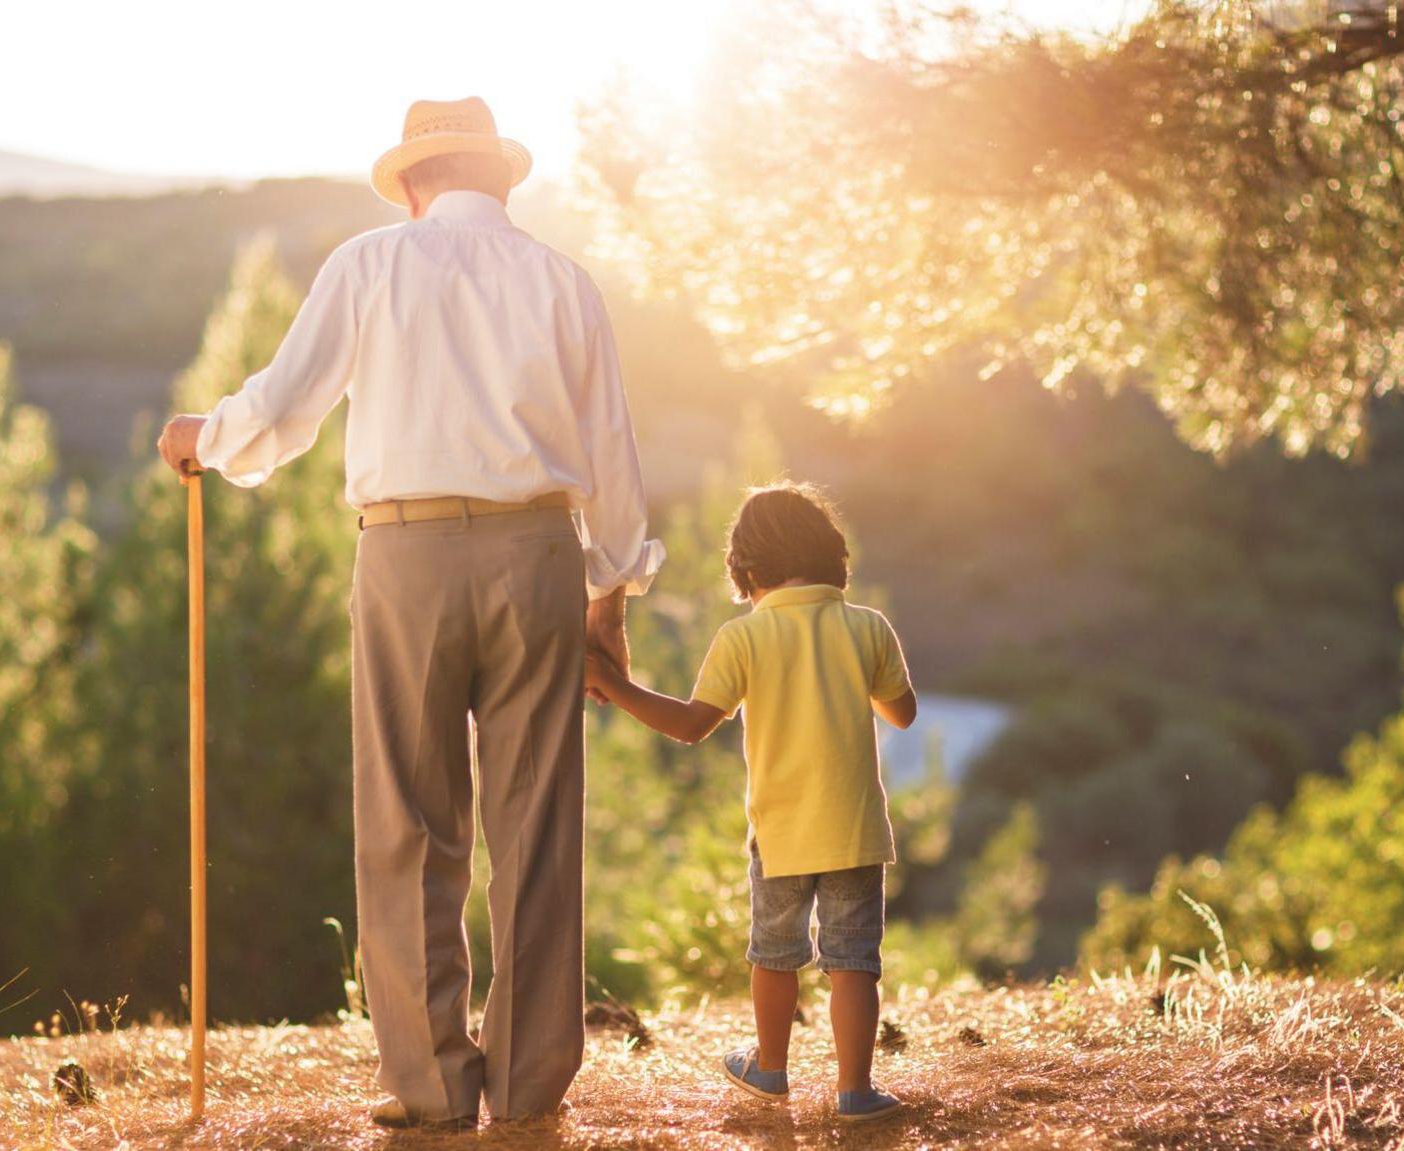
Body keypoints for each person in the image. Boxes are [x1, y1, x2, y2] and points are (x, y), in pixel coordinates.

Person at [154, 97, 663, 1130]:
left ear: (415, 183)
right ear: (501, 178)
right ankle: (525, 1087)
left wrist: (205, 435)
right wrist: (608, 598)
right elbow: (611, 456)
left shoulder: (369, 264)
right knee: (536, 823)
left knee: (406, 820)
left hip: (404, 554)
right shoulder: (565, 282)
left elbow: (286, 408)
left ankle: (429, 1084)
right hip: (538, 556)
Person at [584, 482, 915, 1123]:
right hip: (854, 829)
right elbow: (901, 714)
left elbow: (689, 726)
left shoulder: (744, 638)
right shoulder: (868, 626)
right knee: (853, 959)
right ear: (831, 559)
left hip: (783, 830)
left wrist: (613, 685)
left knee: (774, 953)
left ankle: (769, 1068)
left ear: (749, 572)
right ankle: (856, 1092)